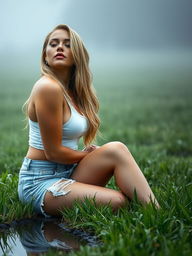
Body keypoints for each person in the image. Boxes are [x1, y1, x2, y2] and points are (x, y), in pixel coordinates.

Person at [18, 24, 159, 218]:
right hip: (40, 181)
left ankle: (157, 213)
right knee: (117, 201)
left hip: (69, 172)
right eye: (54, 43)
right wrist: (85, 155)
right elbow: (53, 153)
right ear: (45, 55)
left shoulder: (73, 92)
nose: (59, 47)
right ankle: (153, 214)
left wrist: (88, 155)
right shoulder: (47, 87)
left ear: (77, 54)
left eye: (67, 44)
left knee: (116, 149)